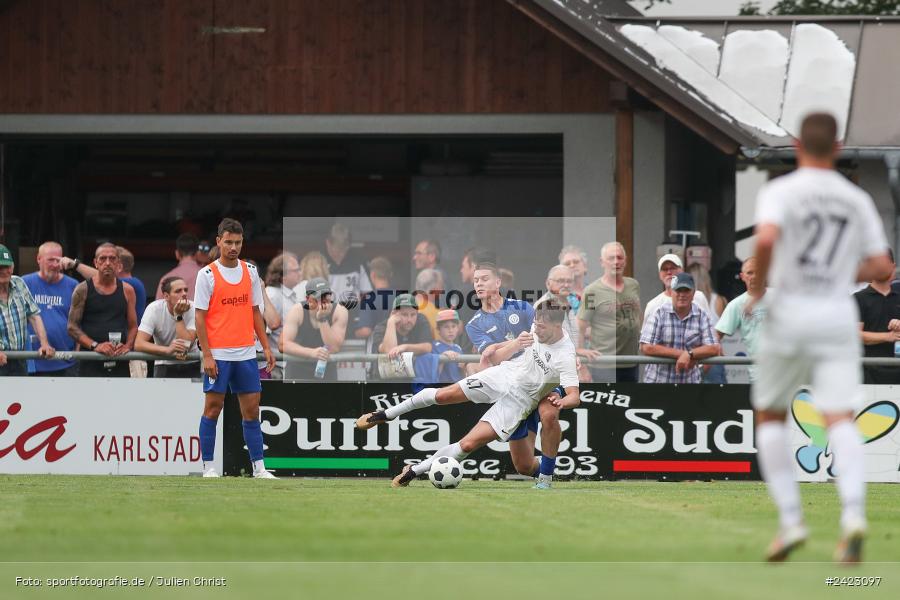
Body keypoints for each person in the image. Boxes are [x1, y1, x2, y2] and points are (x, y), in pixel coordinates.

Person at [750, 113, 893, 564]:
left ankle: (791, 521)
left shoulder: (780, 191)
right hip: (835, 314)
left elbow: (768, 238)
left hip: (791, 311)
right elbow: (881, 267)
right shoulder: (855, 198)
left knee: (771, 416)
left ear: (796, 145)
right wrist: (836, 273)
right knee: (841, 418)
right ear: (839, 146)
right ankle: (852, 516)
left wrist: (761, 285)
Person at [358, 300, 579, 490]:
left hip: (520, 400)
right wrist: (504, 345)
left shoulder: (565, 355)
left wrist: (562, 401)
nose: (536, 329)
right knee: (445, 395)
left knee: (468, 446)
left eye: (541, 327)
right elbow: (512, 348)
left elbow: (574, 396)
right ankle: (385, 414)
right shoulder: (538, 326)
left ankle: (415, 470)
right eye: (535, 324)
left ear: (557, 325)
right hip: (504, 375)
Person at [194, 218, 277, 479]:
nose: (233, 247)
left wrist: (266, 347)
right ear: (218, 241)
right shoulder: (206, 274)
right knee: (213, 408)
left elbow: (255, 312)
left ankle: (259, 468)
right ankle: (208, 466)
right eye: (228, 242)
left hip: (246, 352)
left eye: (238, 242)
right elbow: (199, 316)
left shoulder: (251, 271)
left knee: (252, 410)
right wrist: (207, 354)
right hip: (218, 353)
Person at [67, 243, 138, 378]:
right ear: (95, 263)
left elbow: (133, 326)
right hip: (90, 358)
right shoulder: (83, 289)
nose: (107, 263)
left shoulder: (127, 290)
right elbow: (71, 327)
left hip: (119, 359)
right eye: (103, 258)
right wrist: (95, 346)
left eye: (112, 259)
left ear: (118, 263)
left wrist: (128, 346)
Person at [578, 242, 642, 383]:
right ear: (602, 262)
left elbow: (637, 314)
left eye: (619, 258)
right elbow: (580, 325)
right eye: (611, 258)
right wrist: (580, 352)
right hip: (603, 364)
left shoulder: (633, 285)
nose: (616, 262)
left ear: (625, 261)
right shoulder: (591, 292)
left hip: (631, 362)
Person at [639, 272, 719, 384]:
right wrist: (682, 354)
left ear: (694, 293)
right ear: (671, 292)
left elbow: (714, 348)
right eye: (678, 290)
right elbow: (646, 347)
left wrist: (689, 354)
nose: (682, 294)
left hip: (689, 383)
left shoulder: (702, 315)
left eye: (686, 290)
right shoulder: (658, 313)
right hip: (658, 383)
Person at [22, 241, 78, 376]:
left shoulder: (74, 285)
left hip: (66, 361)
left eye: (58, 260)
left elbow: (79, 322)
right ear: (38, 259)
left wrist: (77, 351)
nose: (54, 264)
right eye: (50, 260)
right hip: (32, 362)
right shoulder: (24, 283)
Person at [0, 244, 55, 376]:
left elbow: (34, 316)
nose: (3, 271)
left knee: (18, 397)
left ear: (12, 267)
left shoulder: (19, 283)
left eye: (6, 267)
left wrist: (44, 343)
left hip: (19, 358)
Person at [281, 277, 348, 381]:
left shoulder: (339, 311)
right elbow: (283, 344)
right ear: (308, 299)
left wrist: (322, 319)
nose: (323, 302)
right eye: (318, 298)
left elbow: (334, 347)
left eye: (326, 297)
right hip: (298, 369)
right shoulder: (297, 310)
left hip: (326, 370)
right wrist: (311, 353)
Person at [715, 257, 767, 381]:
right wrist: (715, 346)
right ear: (742, 276)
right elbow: (716, 335)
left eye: (758, 272)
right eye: (749, 273)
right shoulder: (736, 305)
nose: (754, 276)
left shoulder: (779, 296)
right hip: (758, 376)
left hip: (786, 372)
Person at [135, 276, 199, 378]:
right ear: (166, 296)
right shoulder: (154, 309)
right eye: (178, 291)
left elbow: (185, 345)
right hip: (163, 364)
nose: (184, 294)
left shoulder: (193, 308)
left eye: (185, 290)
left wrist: (178, 315)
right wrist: (167, 350)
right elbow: (139, 344)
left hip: (191, 362)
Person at [854, 248, 900, 384]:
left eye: (884, 263)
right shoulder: (858, 299)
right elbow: (855, 335)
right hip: (868, 372)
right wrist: (888, 336)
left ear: (893, 266)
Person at [536, 265, 590, 381]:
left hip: (570, 370)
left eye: (569, 281)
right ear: (548, 283)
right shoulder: (543, 307)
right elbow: (549, 344)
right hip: (551, 374)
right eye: (560, 281)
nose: (566, 285)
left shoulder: (572, 304)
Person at [687, 262, 727, 384]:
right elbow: (720, 332)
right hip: (713, 356)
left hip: (692, 355)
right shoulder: (719, 300)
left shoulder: (684, 301)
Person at [264, 252, 302, 380]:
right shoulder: (273, 295)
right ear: (282, 275)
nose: (300, 273)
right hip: (276, 368)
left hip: (287, 365)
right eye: (295, 270)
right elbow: (264, 333)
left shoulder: (290, 294)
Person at [643, 253, 711, 322]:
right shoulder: (653, 305)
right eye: (664, 269)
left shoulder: (698, 296)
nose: (669, 272)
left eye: (673, 268)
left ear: (682, 270)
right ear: (660, 275)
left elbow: (708, 326)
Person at [371, 294, 433, 362]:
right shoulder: (381, 327)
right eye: (404, 314)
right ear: (394, 313)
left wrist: (405, 347)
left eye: (413, 315)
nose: (409, 319)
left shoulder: (421, 320)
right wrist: (391, 323)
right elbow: (389, 351)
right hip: (383, 372)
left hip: (411, 371)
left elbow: (427, 347)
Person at [323, 222, 372, 307]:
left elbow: (367, 292)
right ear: (328, 244)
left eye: (344, 251)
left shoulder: (357, 262)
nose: (341, 254)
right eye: (338, 251)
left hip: (353, 312)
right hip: (328, 313)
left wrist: (362, 301)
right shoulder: (319, 263)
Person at [354, 256, 393, 340]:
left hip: (377, 350)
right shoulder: (401, 297)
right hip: (397, 348)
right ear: (390, 274)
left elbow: (365, 331)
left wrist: (352, 332)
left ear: (373, 275)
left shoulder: (369, 299)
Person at [155, 233, 202, 300]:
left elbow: (159, 307)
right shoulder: (209, 276)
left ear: (177, 254)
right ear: (198, 253)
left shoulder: (166, 279)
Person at [414, 267, 444, 337]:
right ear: (434, 289)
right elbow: (440, 342)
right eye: (441, 287)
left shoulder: (407, 307)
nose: (442, 290)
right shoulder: (435, 314)